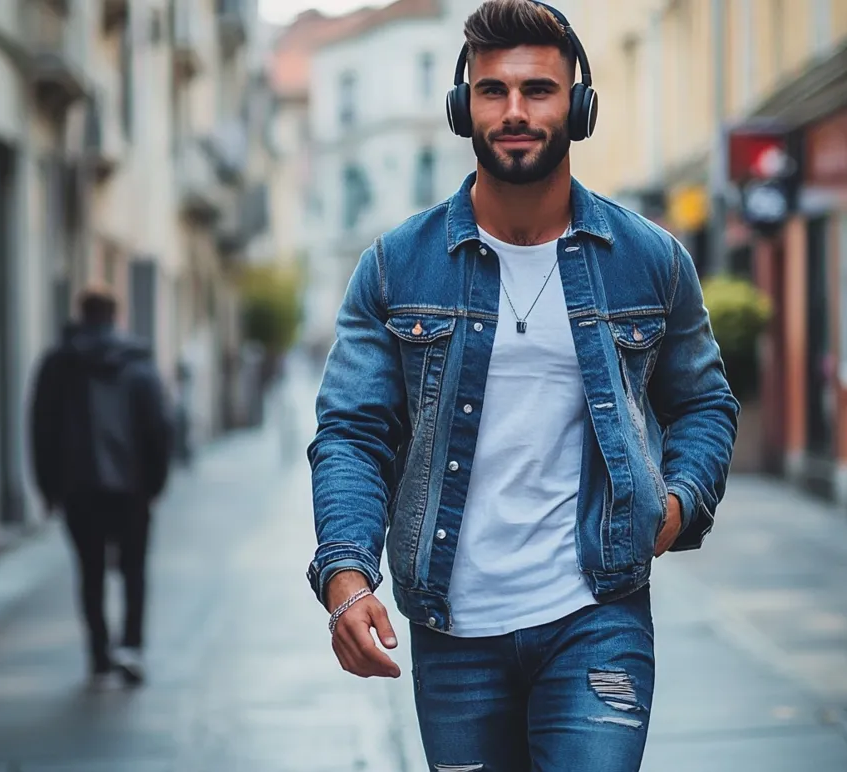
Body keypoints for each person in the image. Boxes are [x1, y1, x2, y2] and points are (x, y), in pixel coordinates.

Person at [305, 1, 739, 769]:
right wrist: (347, 574)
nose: (514, 111)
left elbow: (703, 401)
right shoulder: (396, 265)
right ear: (460, 106)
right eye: (491, 90)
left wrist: (675, 506)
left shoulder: (650, 259)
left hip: (596, 615)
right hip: (453, 633)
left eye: (538, 90)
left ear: (579, 105)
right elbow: (352, 432)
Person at [29, 286, 173, 690]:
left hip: (79, 488)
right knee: (134, 570)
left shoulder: (57, 364)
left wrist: (47, 487)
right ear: (115, 316)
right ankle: (131, 648)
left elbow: (41, 428)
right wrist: (156, 483)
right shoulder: (138, 365)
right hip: (132, 489)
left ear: (81, 313)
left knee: (89, 572)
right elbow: (159, 430)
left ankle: (98, 652)